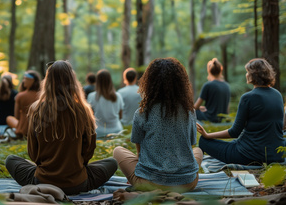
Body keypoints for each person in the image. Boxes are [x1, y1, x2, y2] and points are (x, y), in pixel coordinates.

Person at [5, 60, 118, 195]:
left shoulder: (36, 110)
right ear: (72, 81)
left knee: (10, 160)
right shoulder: (83, 110)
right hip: (77, 184)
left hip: (42, 182)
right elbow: (88, 152)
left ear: (47, 81)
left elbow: (33, 154)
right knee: (112, 162)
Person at [113, 58, 203, 191]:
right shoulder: (189, 112)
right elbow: (190, 144)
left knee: (117, 151)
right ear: (180, 84)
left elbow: (139, 154)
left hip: (148, 183)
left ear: (149, 83)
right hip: (187, 183)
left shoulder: (143, 113)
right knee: (198, 151)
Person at [197, 58, 285, 165]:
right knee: (233, 143)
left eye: (248, 72)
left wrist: (207, 135)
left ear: (253, 75)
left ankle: (195, 167)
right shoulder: (278, 95)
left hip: (249, 156)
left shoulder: (248, 97)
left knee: (203, 141)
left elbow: (234, 132)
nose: (246, 75)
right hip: (276, 155)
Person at [87, 69, 124, 138]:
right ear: (110, 81)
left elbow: (90, 116)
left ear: (97, 81)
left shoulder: (91, 96)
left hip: (99, 132)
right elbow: (120, 116)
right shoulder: (118, 96)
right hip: (117, 131)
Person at [6, 70, 41, 140]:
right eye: (24, 78)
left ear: (32, 80)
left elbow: (16, 116)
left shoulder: (20, 96)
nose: (23, 81)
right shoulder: (42, 95)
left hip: (23, 130)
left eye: (26, 79)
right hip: (39, 128)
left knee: (9, 118)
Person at [194, 58, 230, 123]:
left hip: (210, 118)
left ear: (209, 71)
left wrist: (199, 108)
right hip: (222, 118)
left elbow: (195, 107)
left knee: (192, 111)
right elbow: (227, 107)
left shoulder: (208, 85)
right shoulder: (226, 85)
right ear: (220, 70)